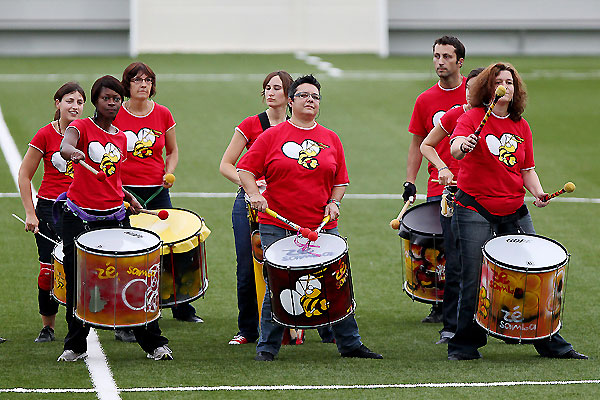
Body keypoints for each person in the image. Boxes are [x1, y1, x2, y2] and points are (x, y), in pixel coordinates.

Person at [447, 62, 587, 360]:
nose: (505, 87)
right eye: (499, 81)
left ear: (515, 89)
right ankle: (464, 345)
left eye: (509, 82)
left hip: (514, 208)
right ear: (488, 87)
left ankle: (547, 340)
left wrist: (538, 191)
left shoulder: (521, 126)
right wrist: (465, 145)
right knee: (474, 278)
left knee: (534, 272)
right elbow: (455, 147)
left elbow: (527, 169)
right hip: (474, 207)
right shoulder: (472, 117)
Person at [237, 74, 382, 361]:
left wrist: (334, 202)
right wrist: (255, 194)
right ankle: (267, 348)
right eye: (303, 95)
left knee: (335, 283)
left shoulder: (331, 138)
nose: (310, 101)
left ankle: (350, 344)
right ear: (290, 101)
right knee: (276, 285)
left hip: (321, 225)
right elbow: (244, 170)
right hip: (278, 224)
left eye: (315, 97)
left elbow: (340, 180)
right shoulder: (271, 137)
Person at [57, 75, 172, 362]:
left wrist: (128, 196)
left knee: (134, 276)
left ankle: (153, 343)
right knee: (78, 281)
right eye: (106, 98)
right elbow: (65, 146)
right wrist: (72, 152)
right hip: (79, 218)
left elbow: (113, 177)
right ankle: (75, 345)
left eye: (116, 99)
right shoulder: (80, 127)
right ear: (95, 101)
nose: (111, 103)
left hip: (115, 216)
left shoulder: (120, 136)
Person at [114, 62, 201, 330]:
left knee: (171, 245)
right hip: (125, 192)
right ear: (126, 85)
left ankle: (181, 305)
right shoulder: (115, 114)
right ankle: (128, 306)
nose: (143, 84)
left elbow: (172, 151)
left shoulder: (163, 113)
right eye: (137, 80)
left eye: (148, 80)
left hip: (157, 191)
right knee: (128, 249)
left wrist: (169, 171)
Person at [219, 71, 293, 345]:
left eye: (277, 88)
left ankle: (293, 326)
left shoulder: (298, 126)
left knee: (288, 263)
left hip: (286, 203)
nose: (271, 93)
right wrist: (253, 186)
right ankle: (247, 329)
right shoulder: (251, 124)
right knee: (247, 266)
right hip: (248, 203)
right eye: (267, 88)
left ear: (289, 95)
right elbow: (226, 164)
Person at [403, 35, 467, 324]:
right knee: (441, 247)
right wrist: (409, 181)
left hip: (473, 183)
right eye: (436, 56)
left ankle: (469, 303)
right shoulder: (425, 100)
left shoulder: (475, 95)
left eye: (446, 57)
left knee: (470, 246)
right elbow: (418, 143)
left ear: (459, 61)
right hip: (438, 185)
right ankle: (440, 305)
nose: (440, 62)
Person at [17, 82, 86, 343]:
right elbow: (24, 175)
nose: (75, 106)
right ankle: (48, 327)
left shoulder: (87, 132)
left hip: (81, 209)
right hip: (49, 209)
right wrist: (30, 213)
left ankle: (98, 321)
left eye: (79, 102)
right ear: (57, 103)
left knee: (85, 269)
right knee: (48, 270)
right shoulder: (45, 134)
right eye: (69, 101)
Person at [419, 67, 483, 344]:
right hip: (456, 197)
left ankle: (493, 320)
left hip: (490, 199)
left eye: (476, 89)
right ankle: (452, 326)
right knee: (457, 263)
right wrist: (443, 167)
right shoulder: (457, 114)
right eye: (467, 88)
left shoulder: (500, 120)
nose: (469, 94)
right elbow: (426, 145)